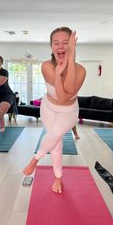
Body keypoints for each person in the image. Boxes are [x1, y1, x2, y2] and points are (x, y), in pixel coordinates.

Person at [23, 27, 86, 193]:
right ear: (51, 47)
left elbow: (66, 98)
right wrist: (57, 75)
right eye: (56, 43)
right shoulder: (46, 66)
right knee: (56, 143)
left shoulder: (80, 71)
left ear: (72, 46)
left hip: (69, 111)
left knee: (55, 135)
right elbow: (59, 96)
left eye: (66, 43)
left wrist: (70, 58)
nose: (61, 46)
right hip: (49, 107)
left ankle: (35, 159)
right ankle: (58, 178)